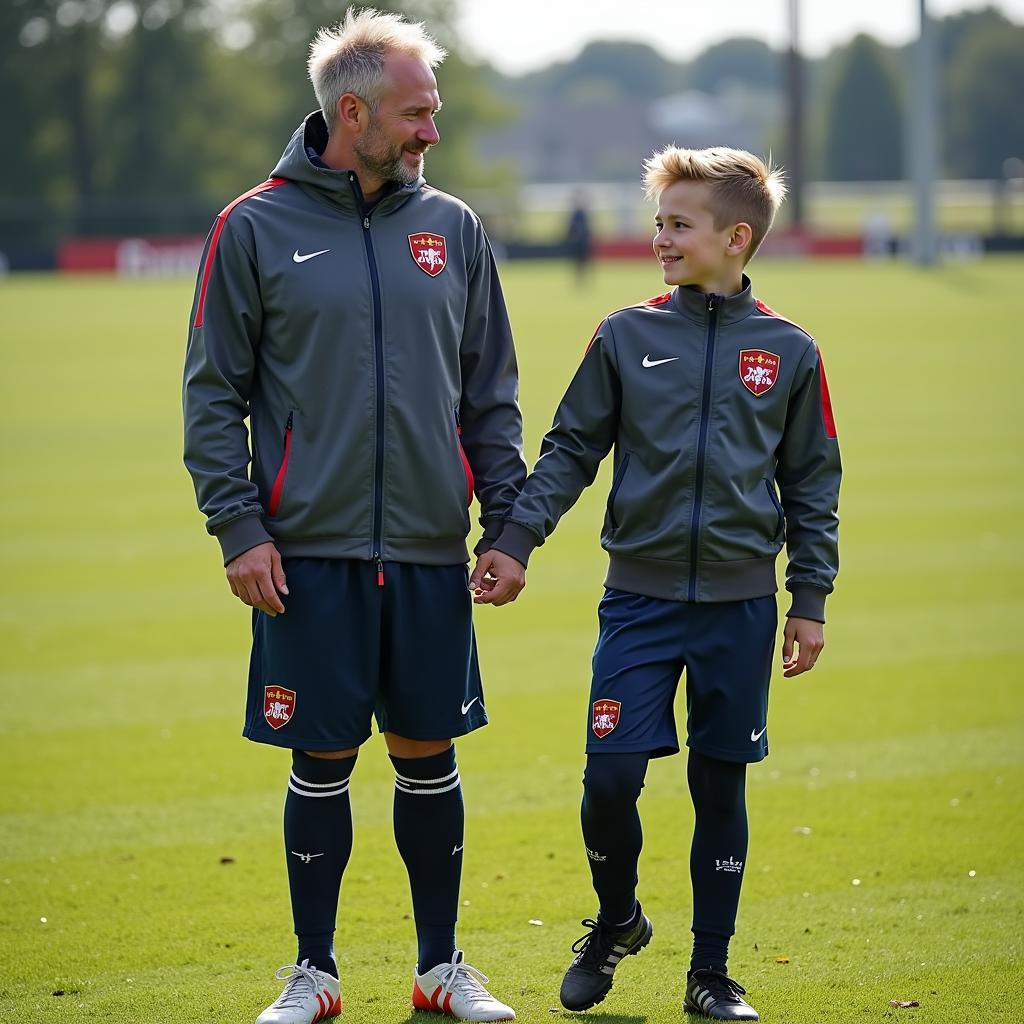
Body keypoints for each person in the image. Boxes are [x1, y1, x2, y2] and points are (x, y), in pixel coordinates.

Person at [182, 9, 525, 1023]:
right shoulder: (252, 226)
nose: (432, 129)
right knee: (320, 756)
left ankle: (440, 970)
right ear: (354, 111)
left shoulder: (452, 228)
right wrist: (237, 526)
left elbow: (490, 392)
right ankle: (315, 974)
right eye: (418, 113)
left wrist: (505, 527)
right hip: (308, 551)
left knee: (429, 751)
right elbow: (213, 393)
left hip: (427, 545)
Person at [472, 146, 841, 1021]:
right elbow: (569, 450)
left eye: (679, 224)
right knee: (610, 778)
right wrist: (517, 539)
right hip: (637, 604)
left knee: (721, 787)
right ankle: (616, 921)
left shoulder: (789, 351)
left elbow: (813, 482)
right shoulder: (625, 335)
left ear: (735, 238)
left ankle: (710, 975)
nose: (660, 239)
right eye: (659, 222)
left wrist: (811, 600)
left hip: (742, 609)